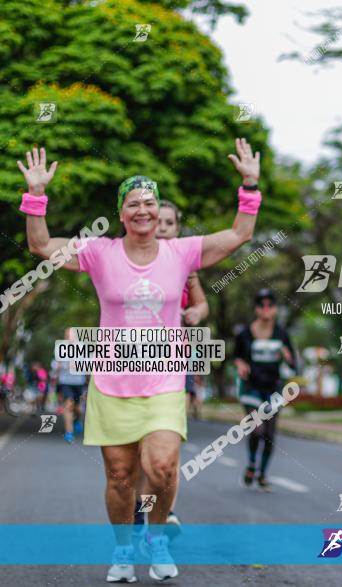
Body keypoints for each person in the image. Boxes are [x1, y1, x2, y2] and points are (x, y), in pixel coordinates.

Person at [19, 138, 263, 583]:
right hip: (112, 383)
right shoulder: (99, 252)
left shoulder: (182, 251)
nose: (143, 210)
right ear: (122, 213)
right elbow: (39, 246)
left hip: (165, 381)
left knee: (163, 466)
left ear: (157, 211)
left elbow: (240, 234)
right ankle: (124, 549)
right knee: (120, 476)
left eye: (149, 202)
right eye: (133, 203)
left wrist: (249, 185)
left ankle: (155, 538)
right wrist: (36, 196)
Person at [131, 200, 210, 541]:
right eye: (157, 221)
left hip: (170, 364)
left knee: (166, 447)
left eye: (169, 223)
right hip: (130, 363)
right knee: (137, 449)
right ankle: (139, 511)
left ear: (177, 229)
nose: (161, 227)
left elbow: (202, 303)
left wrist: (195, 314)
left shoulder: (185, 267)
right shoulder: (128, 259)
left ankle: (166, 511)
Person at [234, 289, 297, 491]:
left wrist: (287, 357)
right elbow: (235, 356)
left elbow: (293, 363)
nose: (266, 309)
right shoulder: (245, 333)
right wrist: (240, 365)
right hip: (251, 387)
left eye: (270, 305)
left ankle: (262, 473)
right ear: (256, 309)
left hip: (274, 389)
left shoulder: (281, 333)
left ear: (275, 309)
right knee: (256, 428)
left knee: (269, 433)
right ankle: (252, 462)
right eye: (262, 305)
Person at [52, 328, 88, 443]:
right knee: (68, 405)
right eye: (67, 335)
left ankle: (77, 419)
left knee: (77, 407)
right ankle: (69, 432)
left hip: (79, 382)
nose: (69, 337)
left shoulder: (82, 347)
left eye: (71, 335)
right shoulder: (60, 347)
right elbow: (56, 364)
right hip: (65, 382)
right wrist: (58, 368)